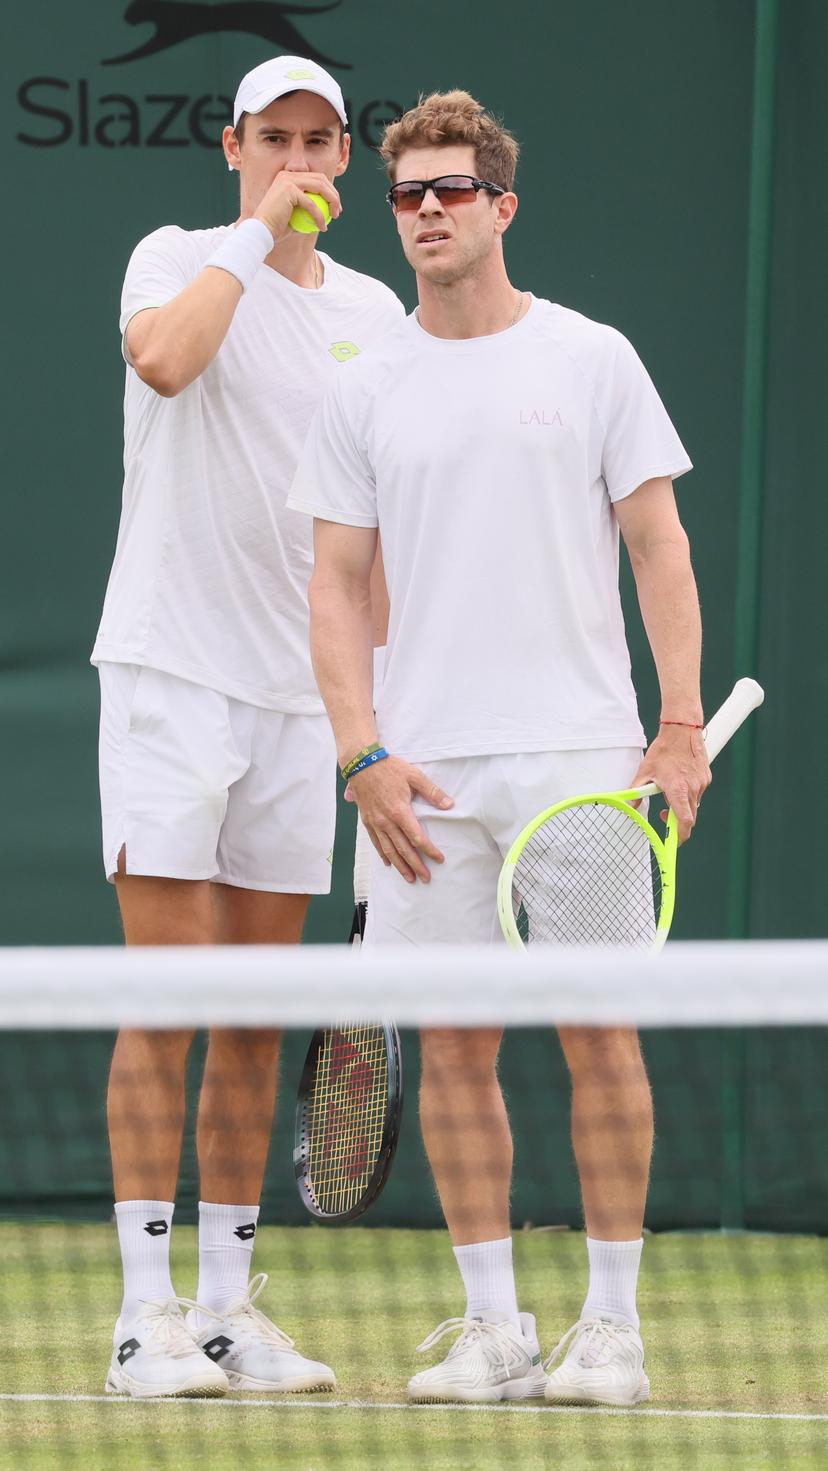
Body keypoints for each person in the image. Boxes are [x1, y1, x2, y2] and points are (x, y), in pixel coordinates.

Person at [287, 90, 711, 1406]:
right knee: (455, 1046)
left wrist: (679, 728)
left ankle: (616, 1334)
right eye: (409, 192)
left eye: (452, 190)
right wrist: (363, 757)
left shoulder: (592, 360)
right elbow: (336, 590)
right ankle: (494, 1330)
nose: (426, 212)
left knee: (601, 1040)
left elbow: (660, 547)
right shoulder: (364, 389)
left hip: (581, 763)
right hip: (424, 779)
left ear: (501, 207)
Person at [92, 54, 404, 1399]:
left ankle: (227, 1311)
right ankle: (142, 1316)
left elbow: (380, 525)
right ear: (233, 145)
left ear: (349, 153)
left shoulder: (379, 313)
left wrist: (384, 711)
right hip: (171, 674)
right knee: (170, 1004)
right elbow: (165, 364)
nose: (297, 159)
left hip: (298, 701)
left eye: (318, 141)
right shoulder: (172, 258)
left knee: (255, 1016)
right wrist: (257, 230)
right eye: (273, 138)